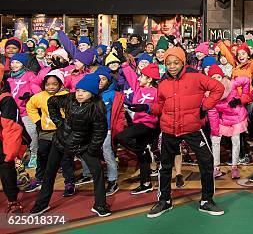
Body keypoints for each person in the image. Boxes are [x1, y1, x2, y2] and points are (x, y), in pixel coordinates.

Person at [133, 46, 225, 218]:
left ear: (182, 62)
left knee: (206, 161)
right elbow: (160, 106)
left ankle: (206, 200)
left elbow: (218, 88)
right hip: (169, 129)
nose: (172, 66)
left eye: (176, 62)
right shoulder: (163, 83)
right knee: (165, 166)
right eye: (168, 63)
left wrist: (205, 106)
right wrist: (146, 107)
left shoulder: (196, 77)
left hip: (192, 128)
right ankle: (164, 200)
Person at [30, 74, 110, 217]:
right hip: (61, 141)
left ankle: (100, 205)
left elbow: (100, 133)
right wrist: (59, 123)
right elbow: (52, 102)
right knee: (50, 172)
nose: (79, 94)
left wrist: (91, 149)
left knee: (97, 171)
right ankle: (41, 204)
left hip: (82, 145)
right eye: (78, 90)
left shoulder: (97, 108)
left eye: (84, 91)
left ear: (92, 93)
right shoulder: (69, 98)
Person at [24, 70, 76, 196]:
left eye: (54, 84)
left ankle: (69, 182)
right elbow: (30, 106)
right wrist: (37, 121)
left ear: (60, 84)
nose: (51, 87)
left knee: (65, 158)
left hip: (61, 132)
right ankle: (39, 178)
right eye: (48, 84)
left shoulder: (66, 96)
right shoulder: (40, 96)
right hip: (45, 132)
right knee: (42, 156)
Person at [117, 59, 160, 195]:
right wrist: (124, 64)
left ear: (149, 79)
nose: (139, 78)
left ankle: (141, 150)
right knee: (143, 157)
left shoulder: (156, 92)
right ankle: (146, 183)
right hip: (138, 123)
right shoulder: (138, 89)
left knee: (122, 136)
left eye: (142, 76)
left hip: (148, 124)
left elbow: (159, 108)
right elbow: (131, 76)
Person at [0, 80, 29, 214]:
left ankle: (13, 200)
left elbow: (12, 128)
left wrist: (10, 153)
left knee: (6, 168)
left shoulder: (6, 100)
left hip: (4, 142)